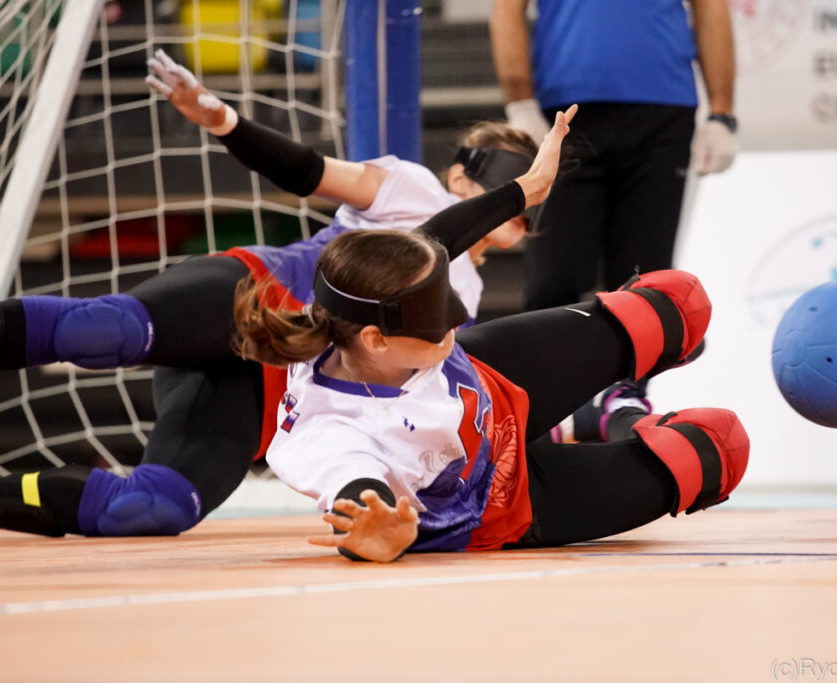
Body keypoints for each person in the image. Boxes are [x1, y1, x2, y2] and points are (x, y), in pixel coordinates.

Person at [0, 52, 551, 539]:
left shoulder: (467, 301)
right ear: (459, 176)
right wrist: (225, 122)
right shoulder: (414, 190)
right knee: (105, 331)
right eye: (508, 192)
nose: (516, 215)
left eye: (526, 211)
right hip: (251, 301)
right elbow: (307, 170)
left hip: (274, 387)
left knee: (152, 509)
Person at [232, 112, 749, 560]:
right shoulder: (328, 434)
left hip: (487, 376)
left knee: (678, 303)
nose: (451, 317)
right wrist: (377, 534)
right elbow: (359, 494)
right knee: (716, 449)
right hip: (499, 501)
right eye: (434, 318)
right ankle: (615, 415)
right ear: (377, 341)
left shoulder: (367, 303)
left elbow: (437, 237)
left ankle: (615, 395)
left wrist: (529, 188)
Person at [489, 0, 739, 439]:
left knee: (644, 274)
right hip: (565, 110)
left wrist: (722, 111)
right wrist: (519, 100)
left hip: (663, 108)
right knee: (554, 275)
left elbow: (710, 8)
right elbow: (507, 9)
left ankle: (625, 396)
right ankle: (546, 401)